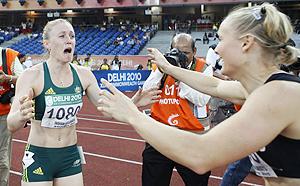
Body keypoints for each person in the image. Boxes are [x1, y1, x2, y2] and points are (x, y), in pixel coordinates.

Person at [97, 3, 300, 186]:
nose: (216, 48)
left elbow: (201, 154)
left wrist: (132, 114)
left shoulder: (279, 95)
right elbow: (214, 86)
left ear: (246, 43)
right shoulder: (260, 88)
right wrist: (169, 67)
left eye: (221, 39)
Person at [7, 18, 161, 186]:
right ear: (47, 44)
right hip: (39, 156)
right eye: (62, 36)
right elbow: (11, 124)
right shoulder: (31, 76)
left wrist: (134, 103)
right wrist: (21, 116)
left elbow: (106, 110)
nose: (69, 40)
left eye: (72, 36)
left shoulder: (84, 75)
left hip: (69, 156)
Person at [141, 33, 213, 186]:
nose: (180, 55)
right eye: (176, 51)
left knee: (197, 182)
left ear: (194, 51)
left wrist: (178, 74)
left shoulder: (203, 68)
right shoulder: (162, 68)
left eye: (185, 52)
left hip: (192, 137)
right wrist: (163, 68)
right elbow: (146, 92)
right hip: (160, 136)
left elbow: (201, 99)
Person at [0, 47, 23, 186]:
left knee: (1, 159)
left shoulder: (7, 55)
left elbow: (24, 79)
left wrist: (7, 78)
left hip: (3, 115)